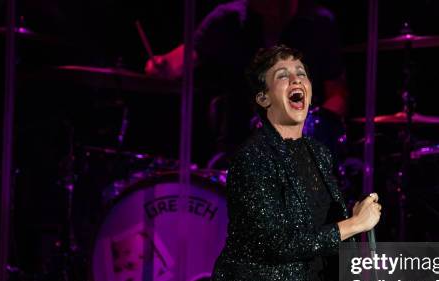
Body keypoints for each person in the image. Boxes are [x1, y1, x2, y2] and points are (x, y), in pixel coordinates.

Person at [206, 45, 381, 281]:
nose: (295, 79)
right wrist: (351, 225)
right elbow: (278, 242)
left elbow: (319, 223)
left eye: (301, 72)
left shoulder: (319, 153)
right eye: (282, 76)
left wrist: (354, 213)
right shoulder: (251, 160)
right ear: (264, 98)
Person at [145, 0, 348, 165]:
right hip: (237, 147)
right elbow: (181, 60)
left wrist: (312, 126)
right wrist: (161, 66)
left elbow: (337, 95)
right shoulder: (227, 19)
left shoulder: (318, 23)